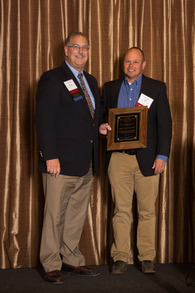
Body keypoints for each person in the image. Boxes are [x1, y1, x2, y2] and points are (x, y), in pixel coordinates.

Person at [99, 47, 172, 274]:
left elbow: (165, 124)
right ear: (123, 64)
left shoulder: (157, 88)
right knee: (120, 210)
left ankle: (147, 257)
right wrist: (102, 125)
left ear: (144, 64)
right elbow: (102, 116)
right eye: (127, 62)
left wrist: (162, 156)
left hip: (149, 160)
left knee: (147, 210)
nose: (131, 66)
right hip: (118, 159)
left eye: (135, 62)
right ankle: (120, 258)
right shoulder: (110, 88)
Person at [35, 32, 100, 284]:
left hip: (86, 162)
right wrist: (49, 156)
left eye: (85, 47)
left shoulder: (91, 81)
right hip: (59, 163)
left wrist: (102, 127)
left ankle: (71, 258)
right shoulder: (52, 78)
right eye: (76, 47)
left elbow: (92, 117)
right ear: (66, 50)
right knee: (55, 214)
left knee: (75, 215)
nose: (81, 51)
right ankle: (51, 263)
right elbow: (44, 120)